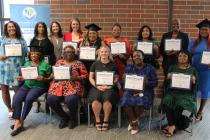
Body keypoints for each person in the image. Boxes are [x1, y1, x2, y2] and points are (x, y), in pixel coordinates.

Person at [11, 45, 52, 136]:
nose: (34, 55)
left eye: (36, 54)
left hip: (39, 86)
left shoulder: (45, 65)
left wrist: (44, 78)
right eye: (32, 54)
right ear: (30, 55)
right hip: (27, 85)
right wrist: (21, 78)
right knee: (17, 98)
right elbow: (24, 76)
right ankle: (18, 121)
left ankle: (21, 121)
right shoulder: (26, 64)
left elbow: (51, 78)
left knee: (28, 99)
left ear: (40, 55)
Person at [47, 45, 88, 129]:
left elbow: (85, 76)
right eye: (67, 52)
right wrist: (52, 75)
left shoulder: (79, 63)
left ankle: (73, 118)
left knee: (71, 99)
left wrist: (76, 77)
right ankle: (64, 117)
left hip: (73, 85)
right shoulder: (59, 62)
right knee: (51, 99)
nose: (69, 54)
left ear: (74, 53)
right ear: (63, 53)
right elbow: (53, 74)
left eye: (71, 52)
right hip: (58, 86)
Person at [161, 50, 198, 137]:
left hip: (187, 94)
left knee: (184, 123)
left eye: (184, 56)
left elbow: (196, 85)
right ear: (177, 57)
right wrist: (168, 77)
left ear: (188, 58)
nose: (182, 57)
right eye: (180, 56)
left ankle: (171, 125)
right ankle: (172, 125)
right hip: (173, 92)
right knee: (167, 99)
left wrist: (194, 81)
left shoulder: (193, 69)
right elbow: (166, 82)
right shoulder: (172, 67)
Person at [121, 50, 158, 135]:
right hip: (131, 90)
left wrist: (146, 83)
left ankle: (133, 123)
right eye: (134, 56)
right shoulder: (129, 67)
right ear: (132, 58)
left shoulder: (150, 68)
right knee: (124, 100)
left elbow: (155, 83)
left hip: (146, 90)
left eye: (139, 55)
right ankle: (135, 121)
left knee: (140, 101)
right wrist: (123, 80)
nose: (136, 57)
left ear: (143, 57)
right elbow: (124, 83)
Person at [0, 21, 28, 118]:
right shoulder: (2, 39)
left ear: (16, 28)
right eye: (9, 27)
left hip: (17, 69)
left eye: (13, 27)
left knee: (17, 91)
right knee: (4, 90)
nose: (11, 28)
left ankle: (16, 109)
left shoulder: (22, 40)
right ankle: (9, 108)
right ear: (6, 29)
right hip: (4, 69)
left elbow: (27, 56)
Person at [88, 46, 119, 131]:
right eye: (102, 52)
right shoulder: (95, 64)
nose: (104, 53)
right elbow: (90, 77)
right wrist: (96, 86)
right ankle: (98, 120)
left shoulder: (113, 64)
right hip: (96, 87)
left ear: (109, 53)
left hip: (110, 87)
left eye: (106, 52)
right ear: (99, 53)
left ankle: (106, 120)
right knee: (95, 99)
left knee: (108, 99)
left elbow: (116, 78)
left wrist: (111, 85)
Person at [30, 21, 56, 112]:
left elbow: (52, 53)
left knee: (47, 83)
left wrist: (51, 64)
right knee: (37, 81)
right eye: (39, 27)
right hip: (36, 64)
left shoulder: (48, 39)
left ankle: (48, 105)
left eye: (42, 27)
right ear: (36, 28)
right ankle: (38, 104)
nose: (40, 28)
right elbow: (31, 53)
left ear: (45, 28)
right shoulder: (33, 39)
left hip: (47, 64)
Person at [188, 18, 210, 121]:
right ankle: (190, 109)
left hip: (207, 71)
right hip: (194, 69)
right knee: (192, 89)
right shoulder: (194, 42)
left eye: (206, 29)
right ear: (199, 31)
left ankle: (200, 111)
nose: (204, 31)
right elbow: (188, 54)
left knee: (204, 90)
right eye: (202, 29)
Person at [104, 23, 132, 96]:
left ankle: (122, 100)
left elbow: (128, 54)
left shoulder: (125, 40)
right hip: (110, 65)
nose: (116, 31)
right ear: (112, 31)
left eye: (118, 30)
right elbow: (103, 52)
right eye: (114, 30)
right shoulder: (106, 40)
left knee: (122, 83)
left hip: (122, 66)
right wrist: (111, 55)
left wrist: (121, 55)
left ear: (120, 31)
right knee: (110, 82)